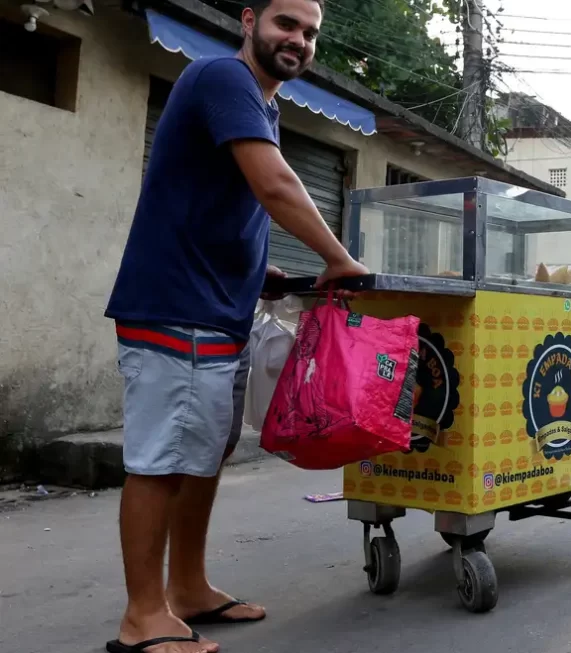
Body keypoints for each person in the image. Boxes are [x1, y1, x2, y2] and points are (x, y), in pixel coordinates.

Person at [102, 0, 370, 651]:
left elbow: (219, 203)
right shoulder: (223, 78)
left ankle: (187, 588)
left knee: (202, 457)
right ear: (250, 20)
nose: (299, 40)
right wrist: (339, 259)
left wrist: (260, 272)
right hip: (177, 309)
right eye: (287, 23)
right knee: (161, 461)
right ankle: (143, 616)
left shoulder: (261, 104)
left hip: (218, 310)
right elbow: (275, 185)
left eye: (310, 33)